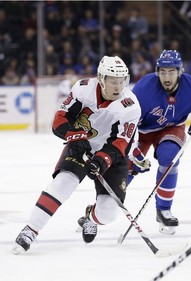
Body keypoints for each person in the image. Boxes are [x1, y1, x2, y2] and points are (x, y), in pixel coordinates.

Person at [13, 55, 149, 253]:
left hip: (111, 154)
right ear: (101, 78)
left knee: (108, 214)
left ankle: (90, 217)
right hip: (80, 145)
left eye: (121, 81)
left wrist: (103, 160)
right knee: (63, 183)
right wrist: (74, 136)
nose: (118, 87)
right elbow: (60, 119)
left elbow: (121, 144)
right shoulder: (83, 89)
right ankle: (30, 230)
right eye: (113, 81)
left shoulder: (130, 105)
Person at [128, 49, 191, 235]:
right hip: (140, 132)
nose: (167, 77)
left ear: (180, 72)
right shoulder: (144, 89)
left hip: (171, 128)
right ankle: (98, 209)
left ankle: (164, 210)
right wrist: (133, 152)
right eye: (163, 72)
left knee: (170, 158)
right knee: (125, 170)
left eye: (171, 72)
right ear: (157, 71)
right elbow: (128, 123)